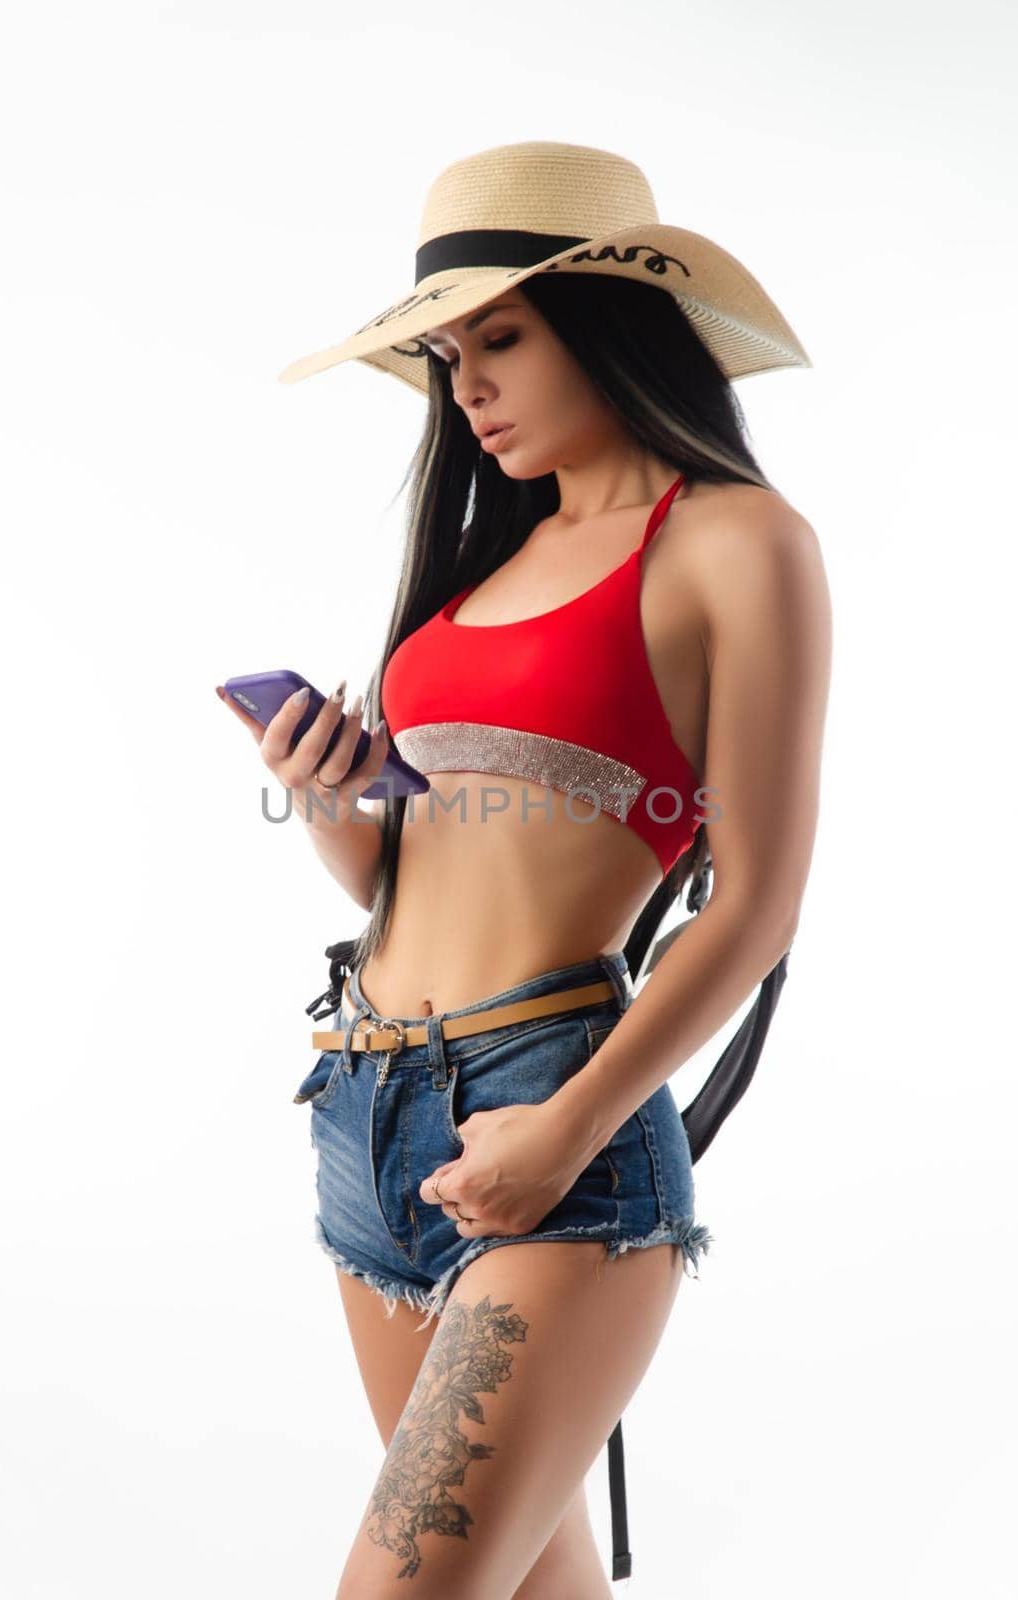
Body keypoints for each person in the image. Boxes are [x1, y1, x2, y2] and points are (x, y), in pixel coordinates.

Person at [218, 141, 831, 1600]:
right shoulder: (480, 568)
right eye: (447, 354)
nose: (468, 385)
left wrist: (564, 1127)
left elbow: (754, 905)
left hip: (556, 1119)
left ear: (615, 327)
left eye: (501, 337)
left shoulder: (738, 543)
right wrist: (322, 800)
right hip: (369, 1122)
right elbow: (401, 882)